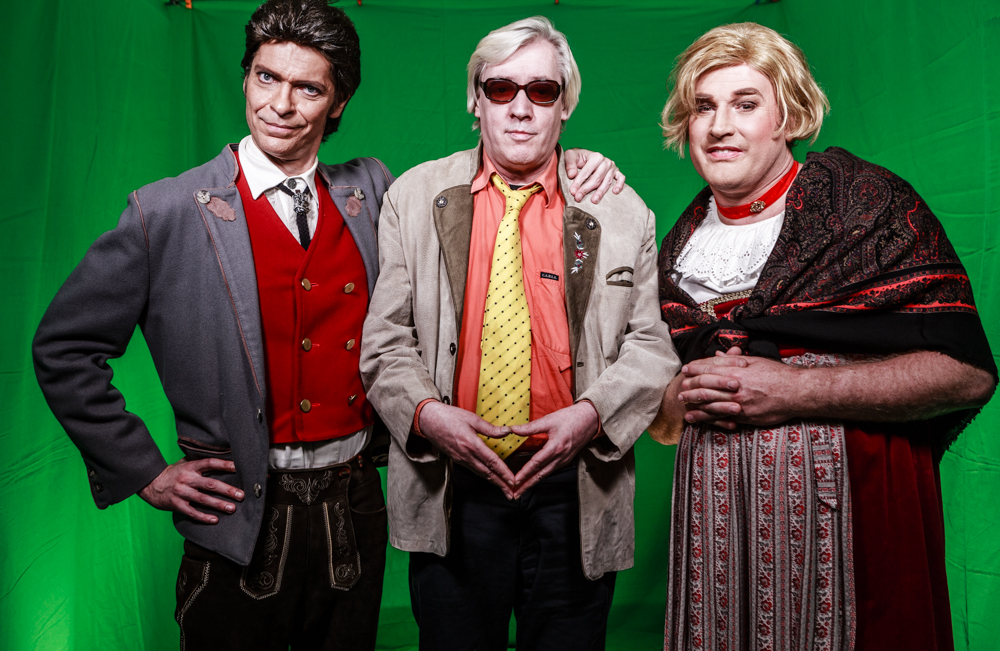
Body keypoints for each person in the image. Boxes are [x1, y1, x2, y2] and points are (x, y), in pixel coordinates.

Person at [31, 1, 621, 649]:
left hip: (354, 509)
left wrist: (573, 164)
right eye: (266, 78)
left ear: (337, 102)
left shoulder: (374, 192)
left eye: (307, 88)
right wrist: (144, 470)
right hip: (238, 512)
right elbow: (65, 347)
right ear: (246, 77)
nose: (280, 104)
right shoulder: (167, 211)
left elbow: (487, 177)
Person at [649, 22, 996, 651]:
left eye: (745, 104)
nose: (719, 126)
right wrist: (680, 397)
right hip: (715, 534)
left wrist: (798, 390)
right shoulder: (677, 246)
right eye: (703, 106)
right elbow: (662, 412)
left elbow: (965, 373)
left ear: (788, 116)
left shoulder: (866, 206)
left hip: (855, 516)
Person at [359, 16, 677, 651]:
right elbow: (385, 341)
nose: (521, 108)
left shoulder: (621, 210)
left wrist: (591, 415)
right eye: (501, 89)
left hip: (576, 489)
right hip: (453, 486)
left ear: (565, 106)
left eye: (542, 91)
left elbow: (651, 346)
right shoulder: (413, 197)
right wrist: (428, 416)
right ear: (474, 101)